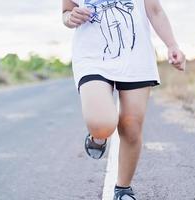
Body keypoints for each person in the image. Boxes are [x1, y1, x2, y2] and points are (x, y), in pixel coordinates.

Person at [62, 0, 185, 199]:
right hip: (92, 57)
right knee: (101, 124)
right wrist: (70, 17)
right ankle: (97, 137)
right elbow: (66, 11)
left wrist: (172, 44)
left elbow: (154, 11)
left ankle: (122, 188)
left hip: (136, 55)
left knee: (132, 127)